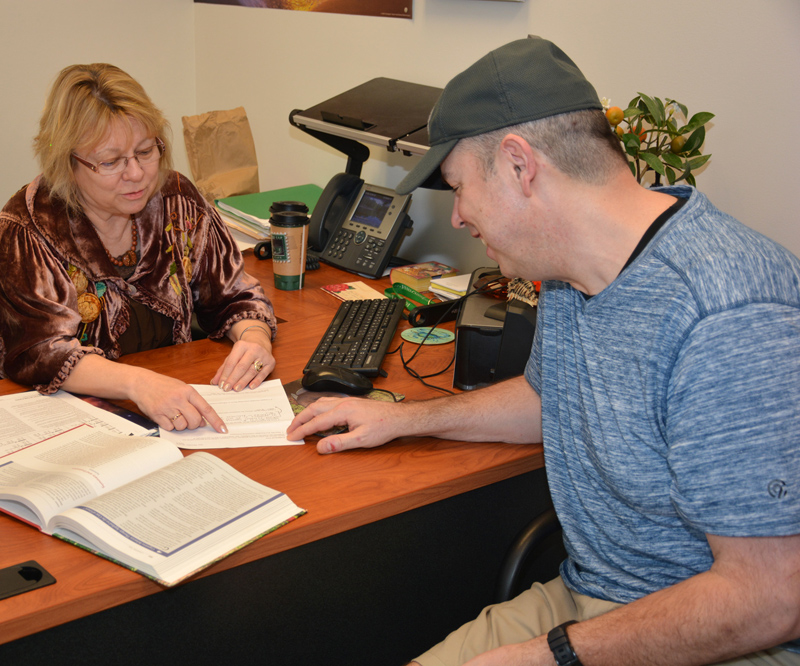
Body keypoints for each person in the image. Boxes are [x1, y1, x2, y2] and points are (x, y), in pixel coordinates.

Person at [287, 38, 800, 666]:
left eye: (458, 189)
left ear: (519, 165)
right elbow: (549, 396)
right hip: (592, 598)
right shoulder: (565, 269)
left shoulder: (729, 313)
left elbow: (770, 598)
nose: (457, 220)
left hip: (710, 633)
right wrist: (406, 420)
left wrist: (546, 656)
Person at [0, 63, 277, 433]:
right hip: (74, 425)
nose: (136, 174)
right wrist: (138, 382)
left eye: (146, 151)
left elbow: (233, 294)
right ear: (67, 162)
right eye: (111, 161)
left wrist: (254, 339)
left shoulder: (178, 201)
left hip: (173, 409)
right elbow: (40, 351)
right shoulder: (28, 229)